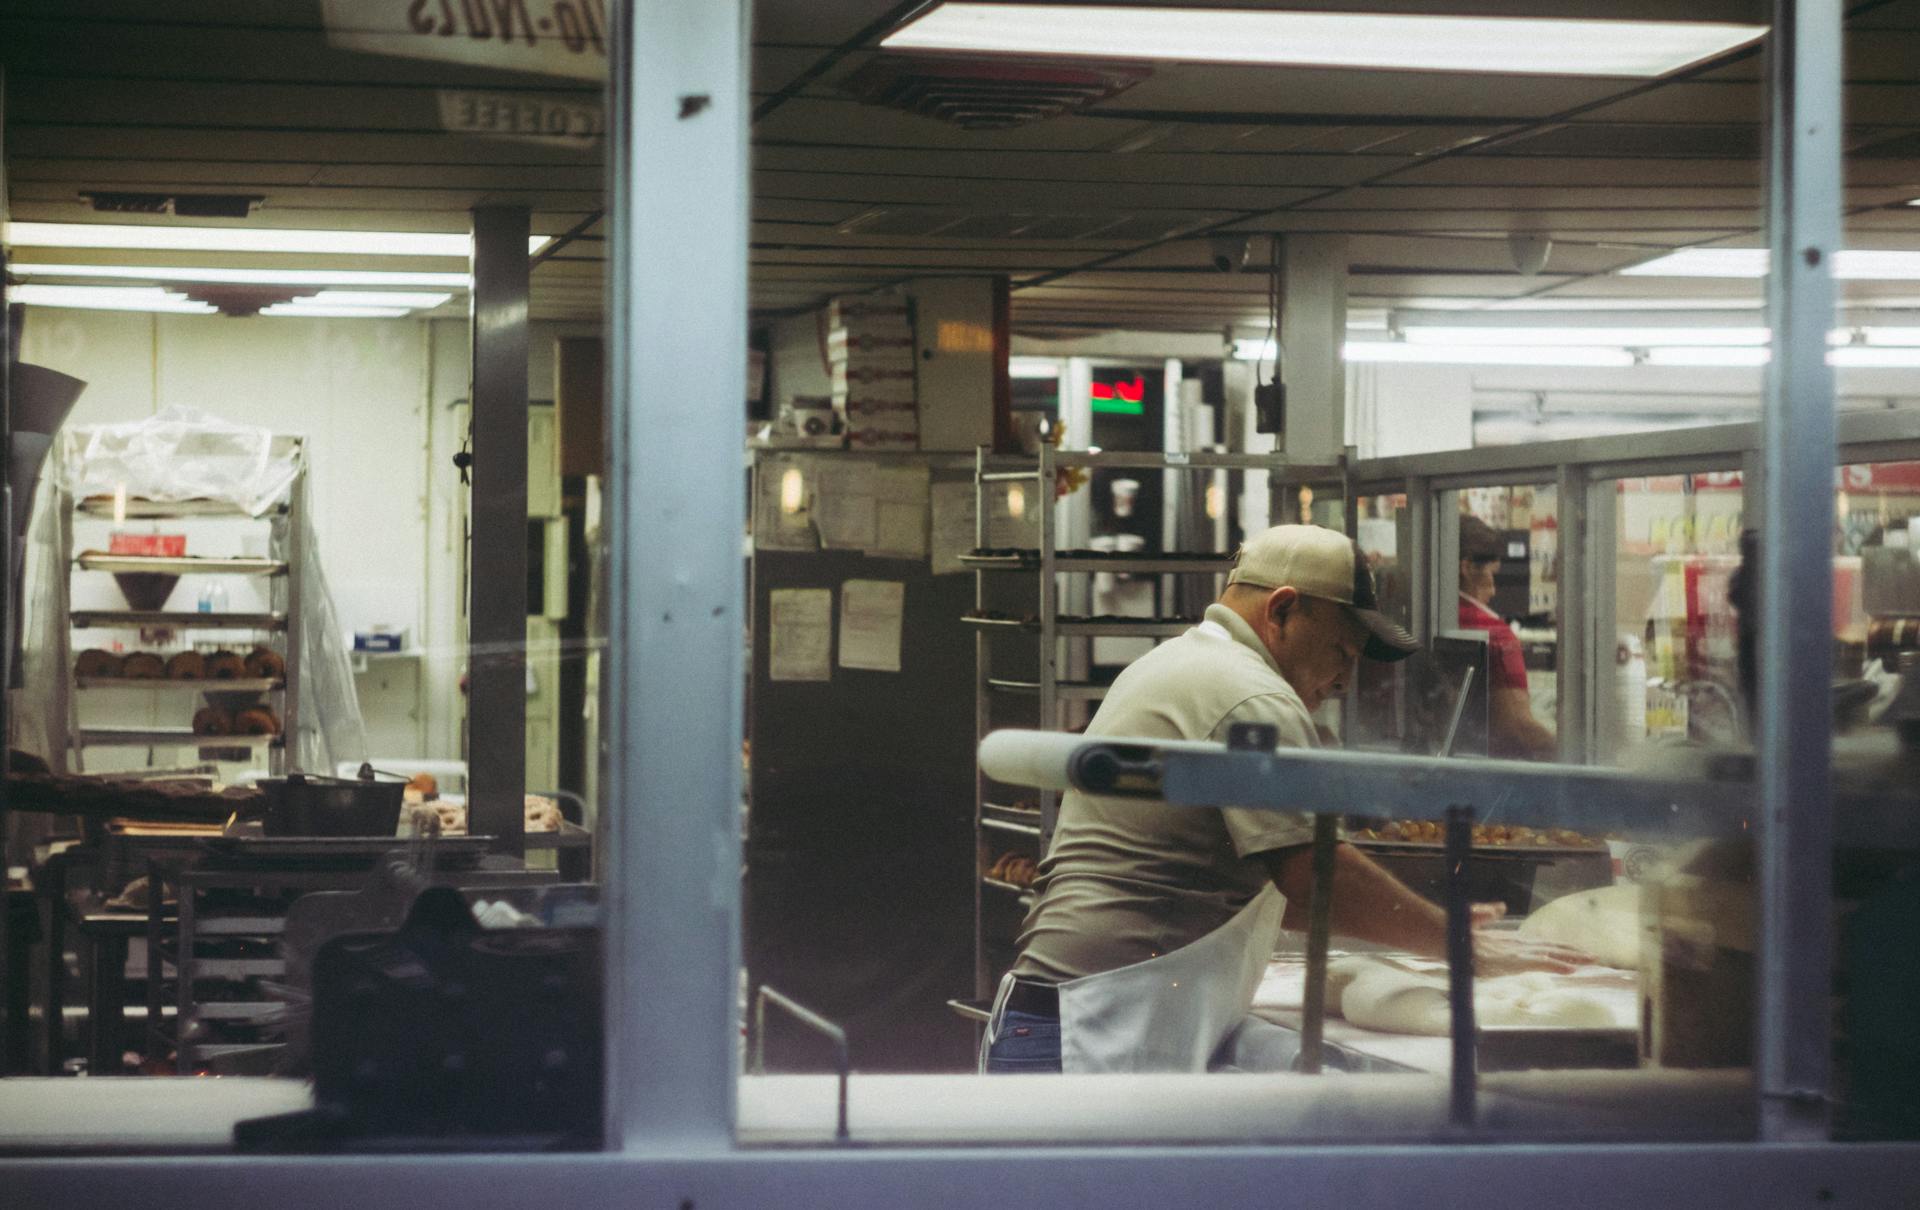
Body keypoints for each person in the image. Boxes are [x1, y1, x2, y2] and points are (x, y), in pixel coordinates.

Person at [984, 524, 1590, 1075]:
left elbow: (1277, 890)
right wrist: (1458, 944)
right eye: (1341, 654)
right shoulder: (1251, 697)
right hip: (1090, 1030)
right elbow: (1313, 874)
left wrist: (1428, 926)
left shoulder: (1188, 662)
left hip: (1074, 1013)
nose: (1346, 681)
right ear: (1282, 609)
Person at [1456, 514, 1558, 760]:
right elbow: (1519, 730)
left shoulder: (1418, 619)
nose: (1493, 589)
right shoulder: (1495, 635)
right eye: (1492, 573)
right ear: (1467, 568)